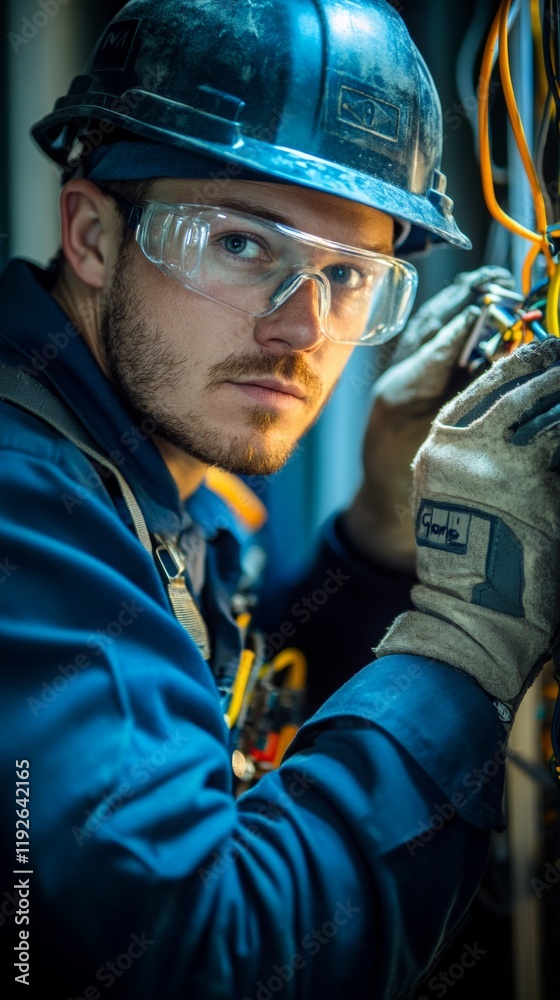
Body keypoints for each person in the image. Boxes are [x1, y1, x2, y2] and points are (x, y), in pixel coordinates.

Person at [0, 1, 559, 997]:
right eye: (242, 245)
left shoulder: (168, 484)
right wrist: (467, 634)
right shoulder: (26, 510)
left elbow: (234, 748)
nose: (301, 327)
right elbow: (210, 962)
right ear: (91, 235)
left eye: (348, 274)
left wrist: (379, 540)